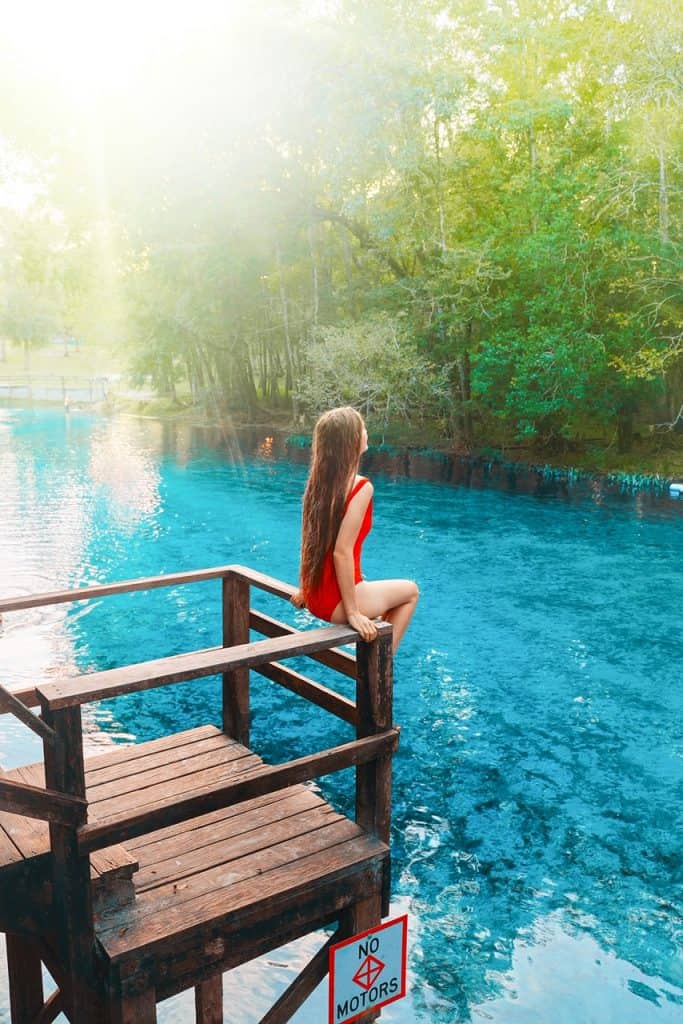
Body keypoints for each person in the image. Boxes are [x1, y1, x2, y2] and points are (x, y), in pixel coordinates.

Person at [291, 406, 418, 651]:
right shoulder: (361, 487)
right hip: (338, 602)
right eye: (363, 428)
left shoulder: (316, 485)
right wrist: (353, 613)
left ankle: (374, 657)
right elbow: (341, 552)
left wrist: (304, 587)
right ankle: (381, 666)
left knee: (385, 600)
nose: (366, 432)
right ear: (351, 441)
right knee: (411, 591)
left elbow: (310, 541)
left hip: (315, 595)